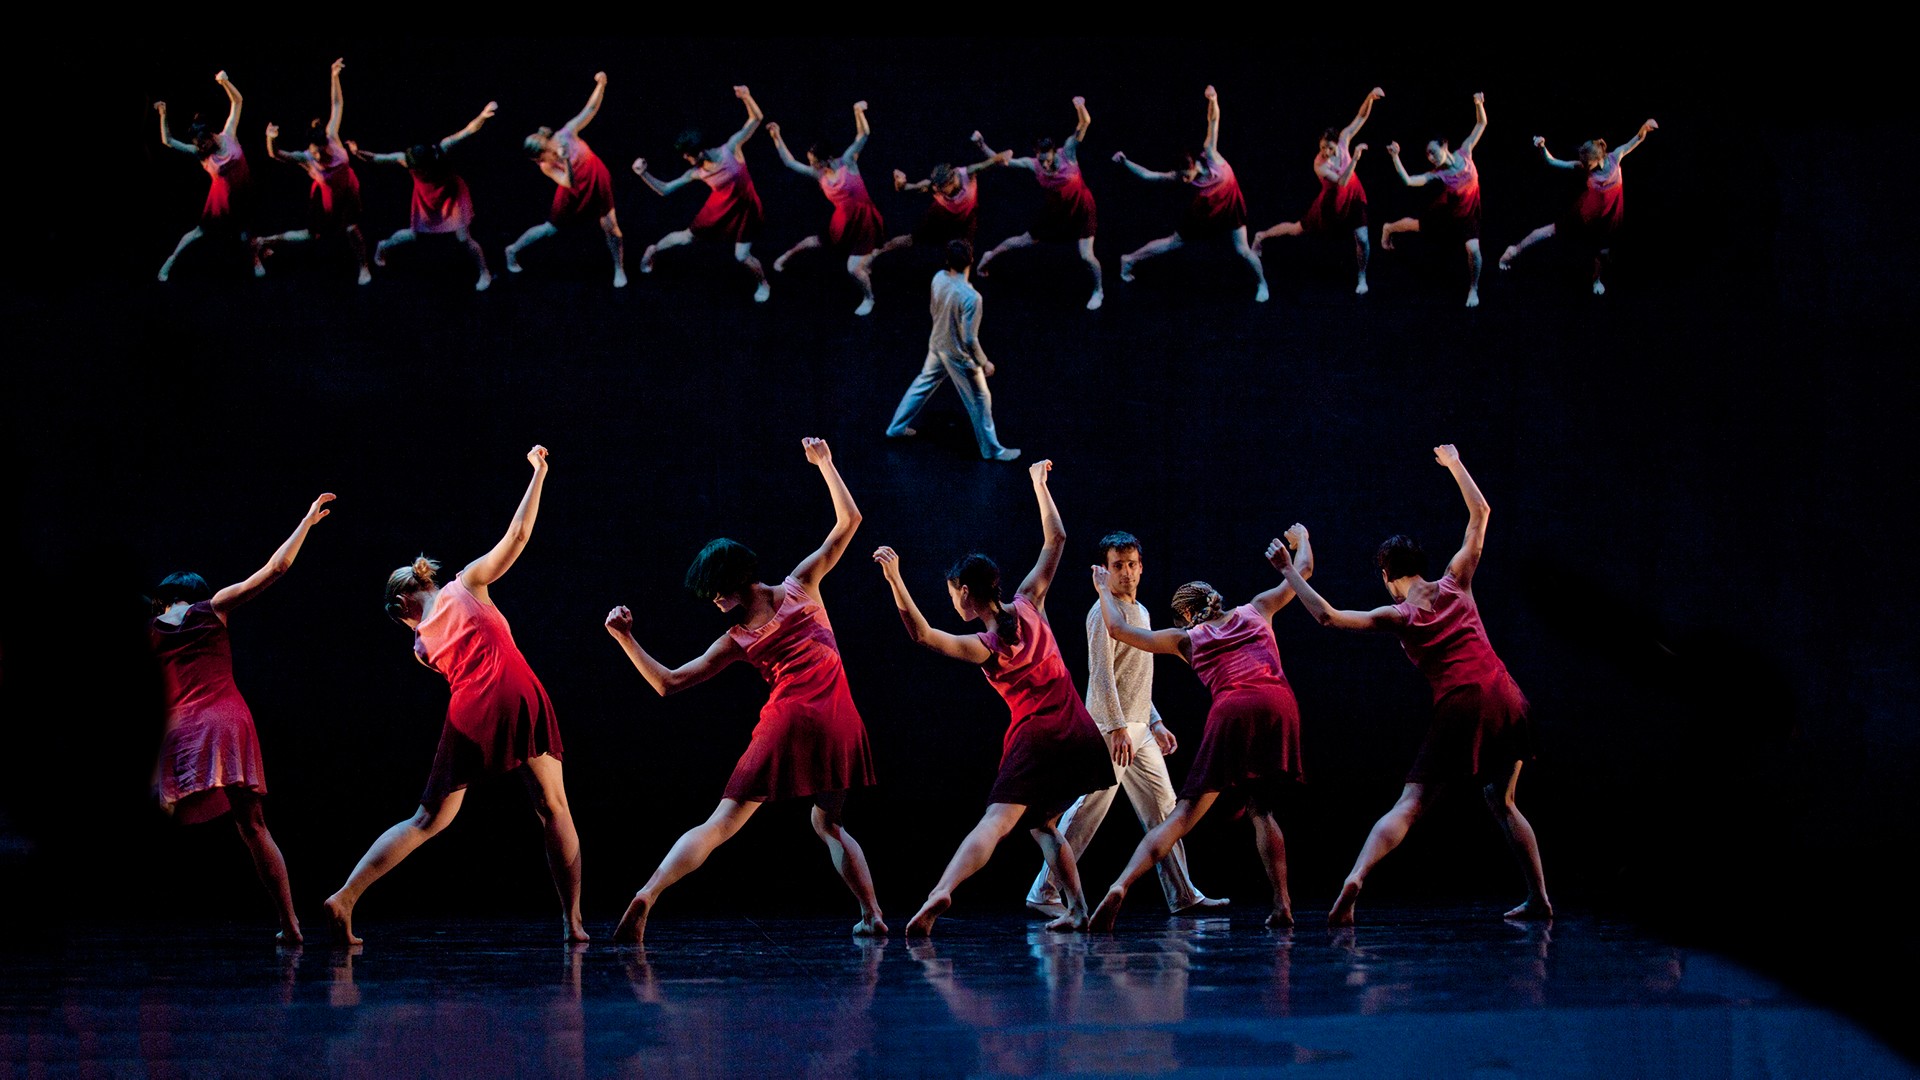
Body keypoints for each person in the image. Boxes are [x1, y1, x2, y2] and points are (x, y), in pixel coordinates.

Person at [603, 438, 883, 943]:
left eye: (716, 592)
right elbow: (850, 522)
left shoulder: (737, 639)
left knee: (722, 823)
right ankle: (873, 914)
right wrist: (827, 464)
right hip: (841, 719)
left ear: (735, 583)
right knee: (829, 825)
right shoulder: (803, 584)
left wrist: (625, 638)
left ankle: (649, 892)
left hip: (788, 721)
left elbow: (667, 684)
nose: (713, 602)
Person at [1267, 445, 1550, 926]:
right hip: (1506, 693)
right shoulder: (1456, 580)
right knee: (1503, 801)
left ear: (1386, 575)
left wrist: (1289, 571)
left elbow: (1328, 617)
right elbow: (1480, 512)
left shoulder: (1398, 615)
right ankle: (1540, 898)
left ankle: (1356, 877)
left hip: (1462, 704)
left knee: (1412, 804)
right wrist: (1456, 464)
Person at [324, 446, 586, 944]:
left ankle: (346, 897)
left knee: (427, 819)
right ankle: (573, 922)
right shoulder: (466, 584)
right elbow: (519, 536)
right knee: (554, 807)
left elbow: (449, 657)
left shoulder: (420, 646)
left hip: (468, 711)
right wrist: (539, 474)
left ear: (403, 602)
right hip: (516, 691)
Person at [872, 460, 1114, 936]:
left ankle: (941, 890)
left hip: (1038, 737)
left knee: (996, 822)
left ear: (966, 593)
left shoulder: (985, 648)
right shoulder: (1030, 600)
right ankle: (1080, 909)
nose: (952, 603)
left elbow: (921, 636)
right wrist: (1039, 485)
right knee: (1044, 824)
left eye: (951, 595)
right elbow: (1057, 539)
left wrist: (896, 580)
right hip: (1077, 731)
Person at [1086, 526, 1315, 931]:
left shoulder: (1187, 638)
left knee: (1181, 815)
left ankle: (1120, 886)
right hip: (1280, 706)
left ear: (1189, 615)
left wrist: (1103, 591)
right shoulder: (1258, 608)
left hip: (1233, 711)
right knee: (1262, 811)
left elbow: (1119, 631)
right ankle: (1282, 905)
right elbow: (1304, 572)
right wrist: (1303, 541)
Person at [148, 493, 335, 943]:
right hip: (229, 721)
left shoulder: (151, 628)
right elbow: (275, 570)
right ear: (196, 593)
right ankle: (290, 923)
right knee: (253, 826)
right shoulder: (213, 608)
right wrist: (306, 521)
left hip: (179, 729)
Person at [1024, 532, 1226, 920]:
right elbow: (1101, 675)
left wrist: (1155, 721)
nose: (1127, 573)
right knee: (1084, 813)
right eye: (1118, 566)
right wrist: (1117, 727)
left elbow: (1136, 676)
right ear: (1104, 570)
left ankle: (1182, 894)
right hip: (1108, 730)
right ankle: (1044, 891)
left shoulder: (1144, 612)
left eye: (1132, 564)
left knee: (1165, 812)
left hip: (1140, 730)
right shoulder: (1102, 612)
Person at [1112, 86, 1268, 302]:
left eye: (1187, 175)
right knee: (1173, 242)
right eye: (1182, 177)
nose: (1185, 180)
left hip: (1230, 206)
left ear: (1194, 164)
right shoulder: (1181, 176)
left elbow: (1213, 122)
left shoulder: (1211, 154)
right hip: (1205, 211)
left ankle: (1262, 284)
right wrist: (1125, 162)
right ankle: (1129, 259)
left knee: (1242, 250)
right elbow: (1150, 176)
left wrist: (1213, 100)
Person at [884, 240, 1020, 462]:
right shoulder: (971, 297)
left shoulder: (939, 277)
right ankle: (993, 450)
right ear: (971, 261)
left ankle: (896, 428)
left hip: (937, 344)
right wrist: (984, 362)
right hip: (958, 356)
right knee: (980, 398)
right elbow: (968, 338)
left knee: (922, 385)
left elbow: (933, 309)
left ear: (948, 261)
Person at [633, 87, 771, 302]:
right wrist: (643, 174)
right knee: (687, 237)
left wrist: (746, 97)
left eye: (688, 156)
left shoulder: (731, 148)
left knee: (741, 255)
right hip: (720, 207)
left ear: (700, 151)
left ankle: (763, 283)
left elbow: (756, 118)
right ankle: (653, 250)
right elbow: (665, 189)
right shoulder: (697, 172)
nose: (687, 160)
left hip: (746, 208)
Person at [1499, 119, 1658, 295]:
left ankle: (1596, 280)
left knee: (1603, 252)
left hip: (1608, 216)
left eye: (1587, 162)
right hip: (1586, 214)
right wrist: (1543, 147)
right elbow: (1553, 162)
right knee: (1552, 231)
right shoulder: (1582, 167)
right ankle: (1513, 251)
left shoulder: (1616, 157)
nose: (1583, 164)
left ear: (1598, 159)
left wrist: (1644, 127)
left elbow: (1636, 139)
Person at [973, 98, 1105, 310]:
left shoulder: (1068, 152)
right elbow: (1000, 161)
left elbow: (1085, 123)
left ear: (1054, 152)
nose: (1044, 164)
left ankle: (1098, 290)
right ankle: (989, 255)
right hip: (1056, 213)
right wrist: (981, 144)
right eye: (1041, 159)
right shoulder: (1033, 164)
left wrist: (1079, 106)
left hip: (1081, 209)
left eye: (1048, 159)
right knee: (1024, 240)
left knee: (1087, 256)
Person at [353, 101, 498, 290]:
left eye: (420, 167)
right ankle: (383, 246)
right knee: (414, 234)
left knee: (463, 238)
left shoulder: (442, 149)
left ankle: (484, 271)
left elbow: (468, 130)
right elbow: (377, 158)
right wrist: (357, 152)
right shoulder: (406, 159)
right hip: (426, 199)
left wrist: (482, 116)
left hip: (451, 195)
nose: (417, 170)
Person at [1252, 87, 1383, 295]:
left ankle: (1362, 275)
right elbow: (1341, 182)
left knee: (1363, 238)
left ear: (1336, 143)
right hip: (1331, 203)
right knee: (1297, 229)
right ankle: (1261, 236)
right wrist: (1356, 159)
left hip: (1354, 197)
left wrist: (1370, 98)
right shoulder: (1319, 164)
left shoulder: (1344, 139)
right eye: (1322, 147)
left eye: (1329, 148)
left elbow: (1361, 116)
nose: (1326, 152)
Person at [255, 58, 372, 284]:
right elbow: (276, 154)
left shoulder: (332, 137)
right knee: (312, 235)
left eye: (322, 151)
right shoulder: (306, 157)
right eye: (315, 152)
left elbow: (337, 105)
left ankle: (364, 267)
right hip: (326, 199)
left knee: (351, 229)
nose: (319, 156)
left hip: (347, 191)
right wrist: (271, 139)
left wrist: (334, 76)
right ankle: (265, 241)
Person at [504, 73, 625, 287]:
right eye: (541, 159)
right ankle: (512, 250)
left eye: (545, 154)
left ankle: (619, 268)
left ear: (548, 144)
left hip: (597, 179)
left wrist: (601, 84)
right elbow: (569, 183)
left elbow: (589, 109)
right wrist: (566, 161)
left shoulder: (567, 133)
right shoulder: (545, 166)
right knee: (550, 229)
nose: (545, 159)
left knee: (610, 226)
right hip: (574, 191)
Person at [768, 101, 887, 315]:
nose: (812, 165)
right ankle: (787, 256)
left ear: (828, 159)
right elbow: (789, 162)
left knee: (853, 269)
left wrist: (857, 112)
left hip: (863, 220)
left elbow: (864, 135)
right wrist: (777, 137)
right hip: (843, 221)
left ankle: (870, 297)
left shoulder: (848, 161)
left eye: (815, 161)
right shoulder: (819, 174)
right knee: (817, 241)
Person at [1379, 93, 1488, 307]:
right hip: (1447, 214)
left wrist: (1479, 103)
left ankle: (1473, 289)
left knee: (1473, 250)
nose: (1431, 157)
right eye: (1428, 155)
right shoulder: (1437, 174)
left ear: (1444, 145)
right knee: (1415, 225)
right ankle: (1388, 228)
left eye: (1433, 152)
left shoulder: (1465, 152)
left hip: (1469, 215)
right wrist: (1395, 157)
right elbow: (1409, 181)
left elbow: (1481, 122)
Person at [154, 70, 263, 280]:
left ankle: (255, 258)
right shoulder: (201, 153)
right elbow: (167, 141)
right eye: (198, 144)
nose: (201, 146)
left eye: (203, 142)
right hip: (221, 200)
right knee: (200, 232)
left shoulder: (228, 134)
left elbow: (238, 102)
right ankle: (171, 260)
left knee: (244, 231)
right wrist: (163, 115)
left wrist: (225, 82)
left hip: (243, 191)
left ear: (211, 134)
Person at [874, 142, 1011, 260]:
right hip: (942, 214)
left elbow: (990, 162)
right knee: (911, 239)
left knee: (967, 253)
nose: (937, 190)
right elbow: (912, 187)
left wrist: (1004, 156)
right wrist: (901, 184)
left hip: (967, 216)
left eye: (941, 188)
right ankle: (877, 252)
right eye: (936, 187)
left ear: (950, 181)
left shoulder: (968, 174)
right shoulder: (936, 186)